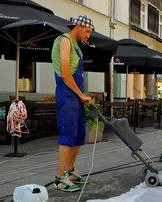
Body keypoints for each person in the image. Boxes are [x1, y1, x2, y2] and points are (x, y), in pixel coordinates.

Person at [51, 15, 94, 192]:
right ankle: (59, 178)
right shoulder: (65, 40)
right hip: (67, 93)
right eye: (88, 31)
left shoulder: (77, 46)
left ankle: (69, 171)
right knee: (68, 134)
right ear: (78, 26)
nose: (88, 35)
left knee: (78, 135)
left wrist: (82, 96)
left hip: (75, 95)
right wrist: (80, 95)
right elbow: (65, 73)